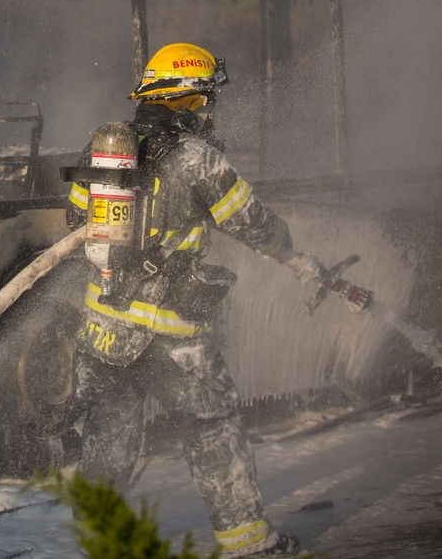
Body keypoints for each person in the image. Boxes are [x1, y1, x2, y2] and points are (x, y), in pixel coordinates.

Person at [64, 42, 331, 558]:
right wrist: (294, 256)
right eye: (205, 99)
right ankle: (248, 546)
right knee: (213, 429)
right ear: (186, 99)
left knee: (106, 442)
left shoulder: (103, 149)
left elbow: (76, 225)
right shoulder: (198, 160)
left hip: (102, 329)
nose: (210, 110)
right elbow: (254, 225)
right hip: (173, 337)